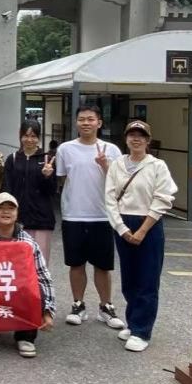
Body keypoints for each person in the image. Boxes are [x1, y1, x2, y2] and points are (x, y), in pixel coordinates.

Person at [104, 120, 177, 353]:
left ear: (148, 140)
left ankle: (142, 331)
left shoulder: (157, 165)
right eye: (132, 135)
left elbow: (163, 198)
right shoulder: (117, 164)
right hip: (123, 224)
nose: (136, 139)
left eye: (141, 136)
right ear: (126, 139)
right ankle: (133, 321)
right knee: (130, 278)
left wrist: (143, 230)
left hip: (149, 224)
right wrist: (122, 229)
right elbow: (110, 198)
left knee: (147, 279)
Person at [56, 105, 125, 329]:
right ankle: (78, 305)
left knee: (103, 266)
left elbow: (120, 182)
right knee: (76, 264)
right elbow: (62, 178)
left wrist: (105, 165)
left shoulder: (112, 150)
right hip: (73, 215)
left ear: (99, 123)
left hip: (102, 215)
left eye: (91, 119)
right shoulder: (65, 149)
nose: (86, 123)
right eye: (82, 119)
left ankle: (106, 307)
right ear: (76, 122)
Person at [0, 192, 56, 358]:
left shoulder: (28, 241)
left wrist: (47, 311)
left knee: (35, 288)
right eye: (1, 208)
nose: (6, 212)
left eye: (11, 208)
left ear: (17, 213)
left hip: (18, 289)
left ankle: (25, 336)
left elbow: (43, 275)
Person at [2, 120, 57, 261]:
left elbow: (52, 191)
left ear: (39, 137)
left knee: (40, 263)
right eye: (26, 136)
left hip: (42, 220)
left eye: (33, 136)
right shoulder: (13, 159)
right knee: (17, 263)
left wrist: (47, 176)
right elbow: (7, 189)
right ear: (20, 136)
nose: (29, 140)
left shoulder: (47, 159)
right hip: (18, 220)